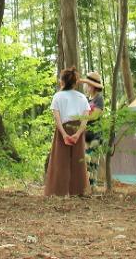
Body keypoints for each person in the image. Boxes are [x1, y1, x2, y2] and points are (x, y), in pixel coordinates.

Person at [44, 67, 90, 197]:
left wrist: (64, 134)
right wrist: (78, 133)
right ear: (75, 82)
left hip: (63, 128)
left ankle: (58, 192)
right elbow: (85, 119)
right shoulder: (82, 97)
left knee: (60, 161)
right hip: (78, 128)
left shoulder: (58, 96)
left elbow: (57, 118)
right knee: (79, 160)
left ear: (62, 81)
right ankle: (80, 192)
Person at [81, 71, 105, 186]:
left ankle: (92, 187)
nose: (86, 86)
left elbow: (95, 115)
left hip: (96, 135)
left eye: (89, 84)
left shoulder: (99, 99)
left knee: (93, 162)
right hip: (85, 135)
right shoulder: (85, 99)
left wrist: (82, 118)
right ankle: (86, 186)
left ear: (94, 86)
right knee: (85, 161)